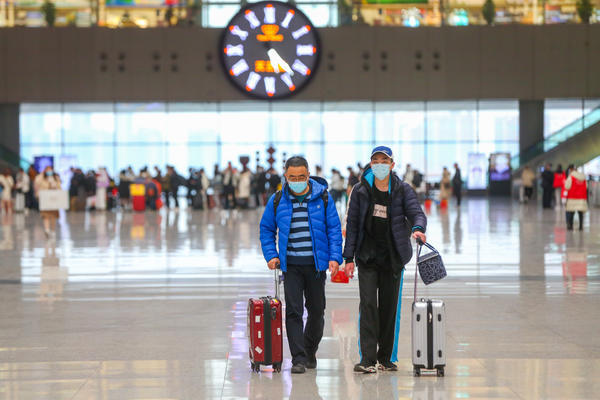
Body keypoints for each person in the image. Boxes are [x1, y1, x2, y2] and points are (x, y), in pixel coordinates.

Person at [343, 146, 427, 374]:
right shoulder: (360, 191)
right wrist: (348, 257)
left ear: (392, 164)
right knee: (368, 305)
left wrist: (418, 229)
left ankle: (386, 358)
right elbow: (351, 226)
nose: (380, 164)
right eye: (376, 161)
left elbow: (416, 213)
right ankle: (367, 359)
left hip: (393, 257)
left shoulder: (402, 190)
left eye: (384, 160)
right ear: (371, 164)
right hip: (367, 257)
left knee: (389, 308)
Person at [259, 156, 343, 374]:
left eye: (301, 177)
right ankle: (298, 358)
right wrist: (271, 255)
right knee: (294, 312)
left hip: (316, 266)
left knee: (317, 311)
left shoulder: (323, 198)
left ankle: (309, 350)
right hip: (291, 265)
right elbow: (266, 229)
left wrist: (335, 257)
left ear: (308, 175)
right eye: (292, 177)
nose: (297, 180)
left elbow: (334, 229)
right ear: (285, 176)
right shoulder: (277, 199)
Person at [35, 166, 62, 238]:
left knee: (53, 216)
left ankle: (53, 230)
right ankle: (47, 230)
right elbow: (37, 182)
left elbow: (59, 188)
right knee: (45, 215)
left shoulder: (55, 178)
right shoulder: (42, 178)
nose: (49, 172)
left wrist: (55, 183)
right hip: (45, 200)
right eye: (47, 170)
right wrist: (42, 174)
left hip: (54, 199)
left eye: (50, 170)